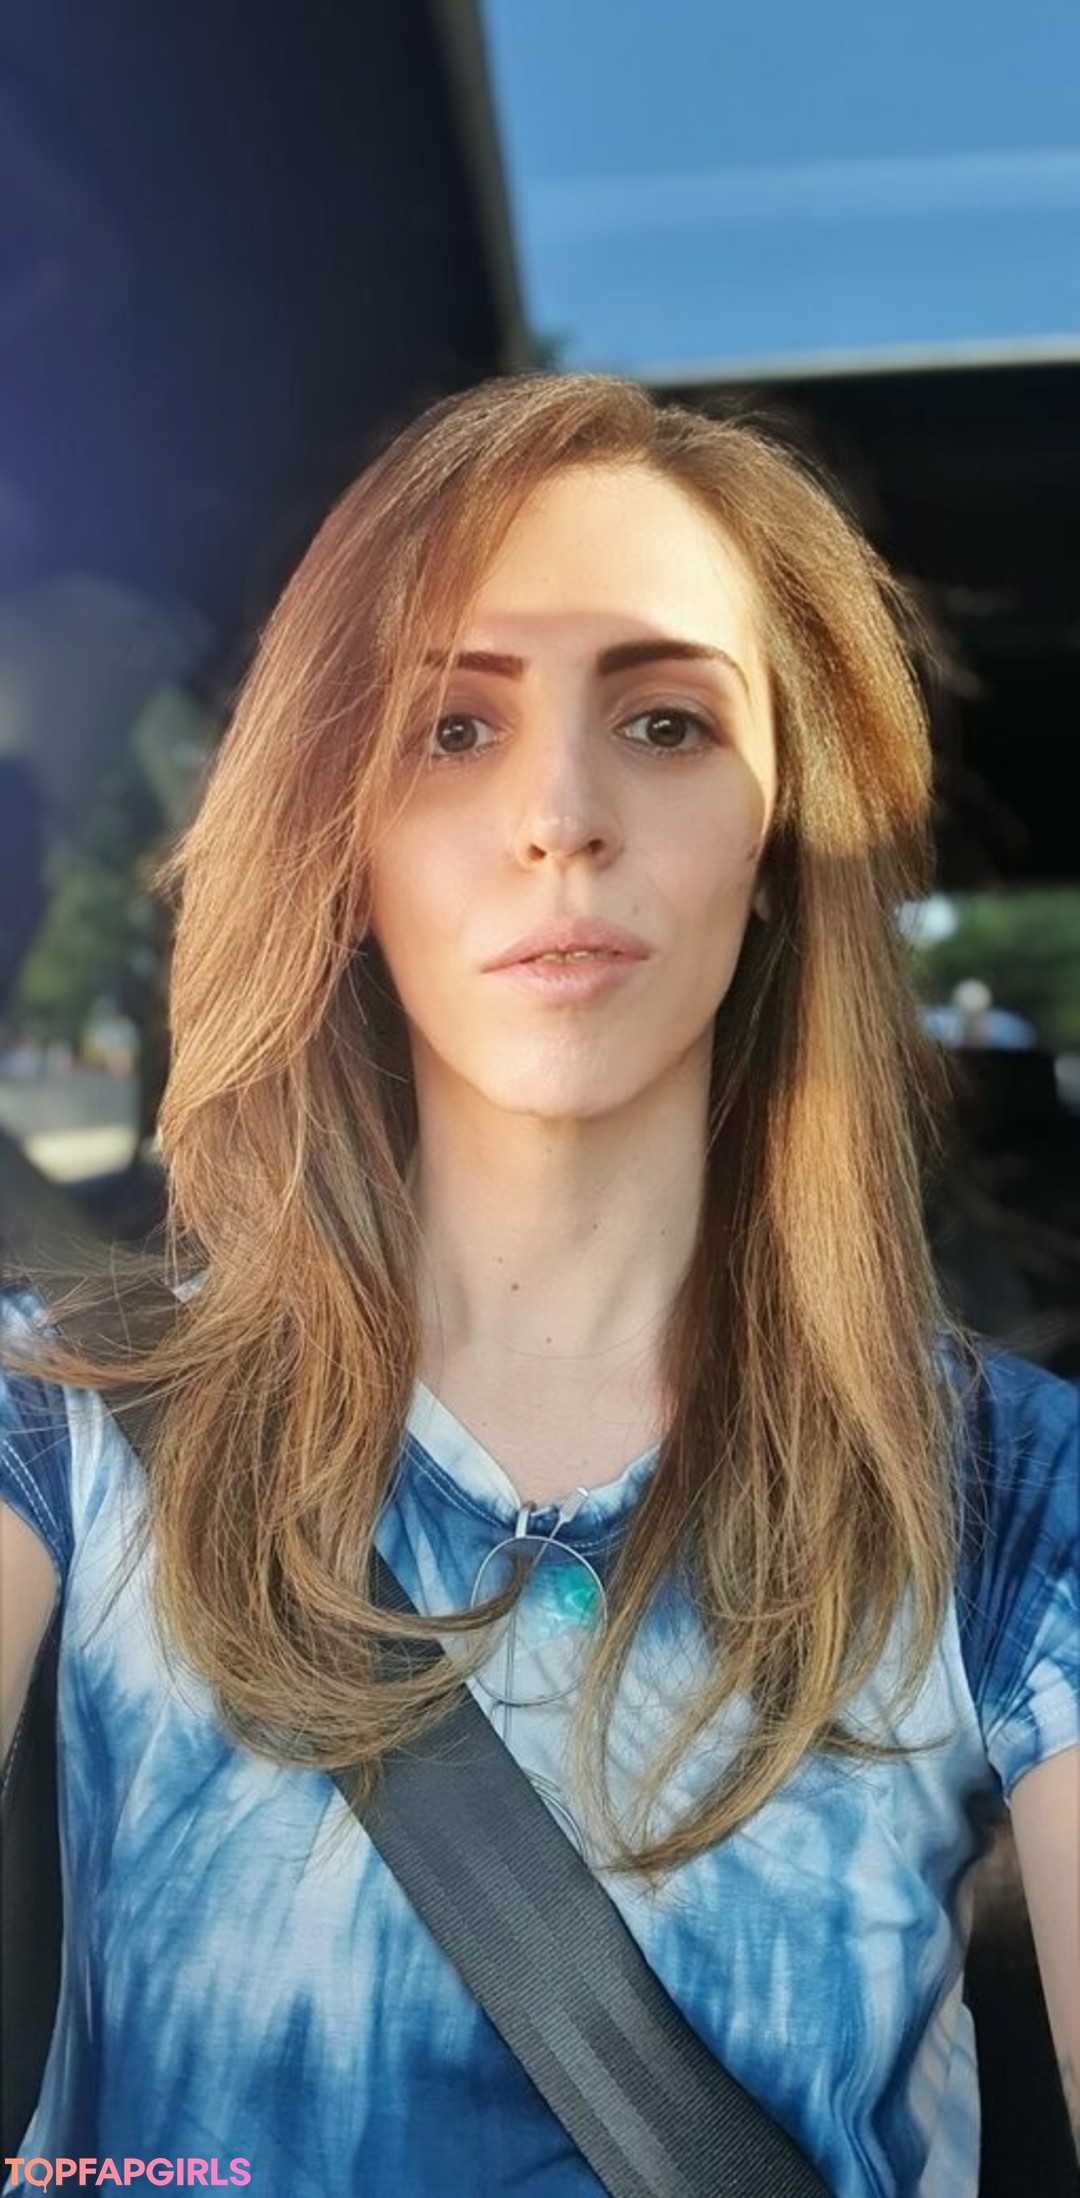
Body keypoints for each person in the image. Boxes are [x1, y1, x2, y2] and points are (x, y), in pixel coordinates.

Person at [1, 373, 1076, 2198]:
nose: (562, 811)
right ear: (343, 842)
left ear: (777, 843)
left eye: (665, 721)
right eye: (451, 728)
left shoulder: (1006, 1497)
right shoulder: (67, 1427)